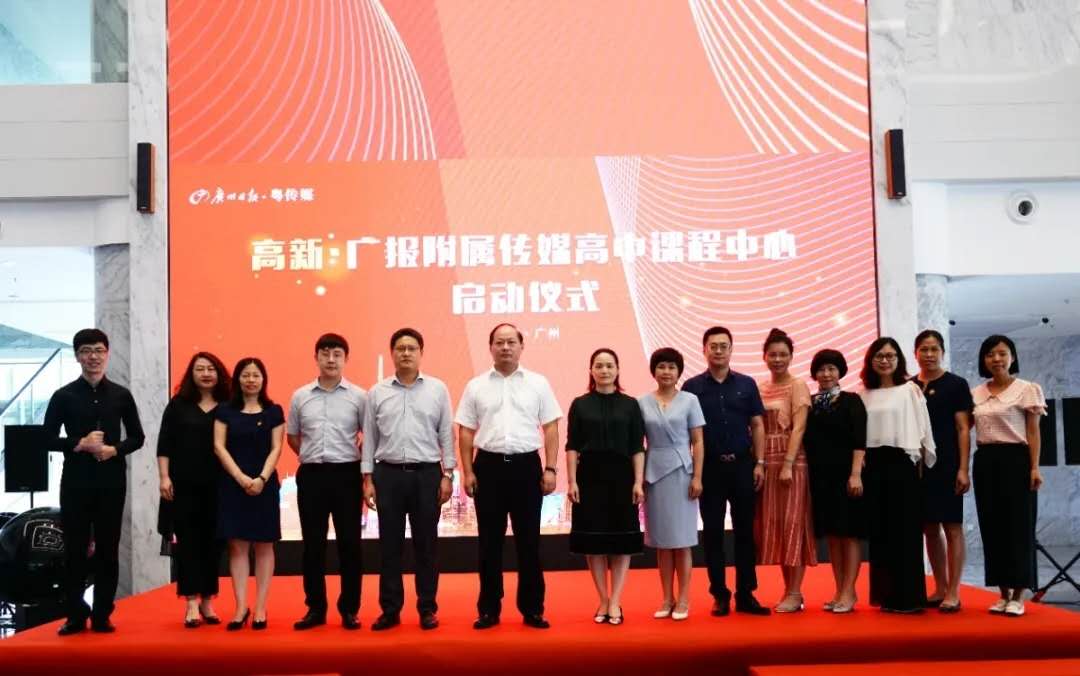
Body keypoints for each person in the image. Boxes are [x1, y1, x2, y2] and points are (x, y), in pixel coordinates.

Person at [456, 323, 562, 630]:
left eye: (511, 342)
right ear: (490, 347)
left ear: (521, 346)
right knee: (489, 543)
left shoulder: (538, 383)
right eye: (499, 342)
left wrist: (551, 468)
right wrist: (468, 471)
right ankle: (489, 609)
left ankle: (532, 609)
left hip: (526, 467)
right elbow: (466, 431)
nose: (505, 347)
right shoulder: (476, 386)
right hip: (488, 467)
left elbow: (551, 427)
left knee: (529, 542)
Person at [44, 329, 145, 635]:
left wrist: (114, 449)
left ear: (107, 353)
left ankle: (102, 613)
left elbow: (137, 437)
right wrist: (80, 444)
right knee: (74, 550)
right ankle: (75, 614)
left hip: (111, 482)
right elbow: (46, 438)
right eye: (86, 351)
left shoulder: (121, 395)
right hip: (75, 482)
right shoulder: (63, 396)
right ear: (77, 356)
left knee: (108, 550)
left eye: (99, 350)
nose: (93, 356)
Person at [363, 328, 454, 631]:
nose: (405, 353)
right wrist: (368, 478)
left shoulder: (437, 389)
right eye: (400, 348)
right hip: (387, 475)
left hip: (427, 475)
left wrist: (448, 474)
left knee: (426, 546)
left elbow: (446, 434)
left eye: (411, 348)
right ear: (392, 353)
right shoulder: (377, 392)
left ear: (421, 353)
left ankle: (427, 608)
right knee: (389, 546)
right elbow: (369, 437)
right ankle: (390, 610)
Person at [683, 326, 770, 616]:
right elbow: (688, 433)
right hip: (710, 468)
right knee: (713, 533)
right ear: (704, 350)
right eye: (713, 346)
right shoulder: (692, 387)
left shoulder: (746, 384)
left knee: (746, 532)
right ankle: (719, 594)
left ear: (731, 349)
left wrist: (760, 462)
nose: (718, 351)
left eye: (724, 346)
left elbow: (757, 425)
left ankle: (746, 594)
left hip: (743, 466)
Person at [286, 334, 366, 631]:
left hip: (347, 475)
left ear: (346, 359)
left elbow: (369, 436)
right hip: (312, 476)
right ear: (316, 357)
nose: (331, 360)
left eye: (337, 354)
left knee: (350, 544)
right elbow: (292, 436)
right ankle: (315, 608)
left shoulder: (359, 396)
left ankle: (350, 609)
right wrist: (311, 455)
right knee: (313, 545)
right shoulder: (301, 396)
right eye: (325, 353)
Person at [565, 348, 645, 626]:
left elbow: (637, 446)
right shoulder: (580, 404)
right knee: (594, 542)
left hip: (623, 477)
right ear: (591, 370)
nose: (604, 370)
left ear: (618, 370)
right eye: (599, 365)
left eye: (610, 365)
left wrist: (638, 481)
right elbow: (572, 446)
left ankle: (616, 600)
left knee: (621, 543)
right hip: (589, 477)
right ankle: (602, 598)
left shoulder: (630, 405)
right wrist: (572, 480)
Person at [971, 334, 1046, 618]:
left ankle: (1018, 595)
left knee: (1019, 527)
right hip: (986, 461)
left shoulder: (1027, 389)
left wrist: (1034, 467)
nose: (997, 359)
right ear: (984, 360)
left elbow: (1033, 432)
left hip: (1017, 460)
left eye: (1002, 353)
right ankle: (1002, 594)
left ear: (1012, 357)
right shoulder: (976, 393)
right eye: (990, 354)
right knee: (992, 527)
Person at [859, 337, 935, 613]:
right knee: (880, 532)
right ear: (871, 361)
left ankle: (909, 598)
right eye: (879, 356)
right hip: (872, 465)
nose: (884, 360)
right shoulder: (863, 395)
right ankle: (887, 596)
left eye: (890, 355)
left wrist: (922, 458)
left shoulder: (910, 390)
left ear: (899, 359)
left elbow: (923, 426)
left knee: (905, 530)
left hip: (902, 463)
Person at [157, 351, 230, 628]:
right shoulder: (178, 405)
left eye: (211, 369)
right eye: (200, 369)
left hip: (219, 486)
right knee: (188, 544)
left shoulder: (228, 405)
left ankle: (208, 600)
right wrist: (164, 477)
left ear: (219, 373)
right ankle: (190, 601)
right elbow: (164, 444)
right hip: (183, 485)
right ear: (192, 374)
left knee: (213, 545)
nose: (206, 374)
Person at [213, 358, 284, 630]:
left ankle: (261, 607)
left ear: (263, 379)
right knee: (237, 546)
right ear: (237, 379)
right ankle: (240, 607)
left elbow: (276, 448)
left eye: (256, 375)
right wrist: (241, 478)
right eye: (245, 375)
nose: (251, 380)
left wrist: (262, 478)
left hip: (264, 484)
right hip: (233, 484)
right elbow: (219, 447)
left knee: (265, 546)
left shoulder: (274, 411)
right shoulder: (225, 410)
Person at [639, 348, 705, 621]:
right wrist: (638, 479)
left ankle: (684, 599)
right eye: (661, 366)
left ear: (679, 372)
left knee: (682, 541)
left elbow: (698, 441)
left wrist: (697, 476)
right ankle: (667, 598)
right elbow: (638, 445)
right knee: (662, 542)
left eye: (671, 367)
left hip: (682, 474)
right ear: (654, 370)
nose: (666, 371)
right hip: (654, 474)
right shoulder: (642, 402)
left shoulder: (690, 400)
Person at [754, 328, 816, 613]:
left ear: (791, 357)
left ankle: (795, 591)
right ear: (764, 357)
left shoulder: (797, 385)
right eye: (773, 354)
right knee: (777, 525)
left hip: (791, 462)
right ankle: (788, 590)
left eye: (783, 354)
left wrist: (788, 463)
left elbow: (800, 427)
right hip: (766, 461)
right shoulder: (759, 387)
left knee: (793, 523)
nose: (777, 359)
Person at [913, 330, 974, 613]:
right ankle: (939, 586)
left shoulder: (956, 384)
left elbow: (963, 429)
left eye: (934, 349)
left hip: (948, 463)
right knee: (929, 528)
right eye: (924, 349)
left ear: (942, 352)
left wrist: (963, 468)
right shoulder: (910, 386)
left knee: (952, 526)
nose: (929, 354)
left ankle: (953, 590)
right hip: (918, 466)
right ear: (916, 353)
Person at [803, 349, 867, 614]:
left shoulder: (852, 400)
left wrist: (855, 474)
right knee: (832, 535)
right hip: (820, 479)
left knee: (849, 534)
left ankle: (850, 591)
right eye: (821, 369)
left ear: (840, 371)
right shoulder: (811, 403)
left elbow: (859, 439)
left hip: (846, 476)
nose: (826, 374)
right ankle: (839, 589)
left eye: (831, 369)